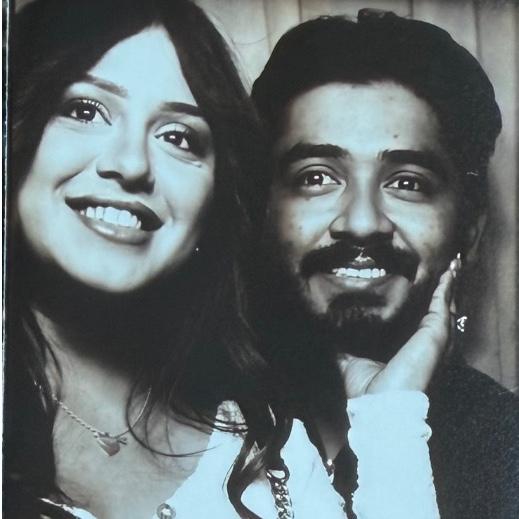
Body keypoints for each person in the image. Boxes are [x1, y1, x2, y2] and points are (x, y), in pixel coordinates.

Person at [5, 1, 456, 518]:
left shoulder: (262, 435)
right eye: (85, 111)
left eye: (178, 136)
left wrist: (390, 420)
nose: (130, 164)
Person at [251, 9, 519, 519]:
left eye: (407, 183)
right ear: (259, 212)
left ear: (470, 230)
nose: (361, 222)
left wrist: (391, 416)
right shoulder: (187, 440)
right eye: (316, 177)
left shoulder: (508, 455)